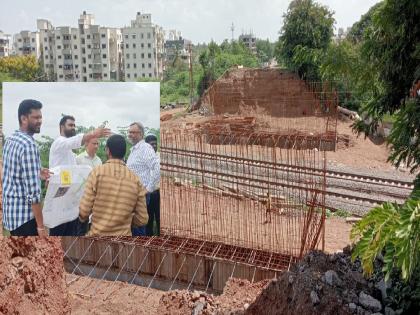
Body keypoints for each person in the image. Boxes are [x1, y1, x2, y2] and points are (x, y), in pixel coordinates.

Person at [48, 115, 110, 236]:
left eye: (74, 125)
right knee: (58, 233)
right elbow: (73, 141)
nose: (73, 128)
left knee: (71, 233)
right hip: (59, 199)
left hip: (70, 199)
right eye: (70, 125)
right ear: (61, 127)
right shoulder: (59, 143)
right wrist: (93, 133)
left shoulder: (70, 153)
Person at [79, 134, 148, 235]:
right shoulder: (135, 179)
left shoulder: (96, 173)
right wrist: (126, 220)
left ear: (107, 150)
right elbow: (143, 218)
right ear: (124, 152)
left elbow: (84, 212)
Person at [2, 99, 51, 236]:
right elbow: (33, 194)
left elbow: (11, 170)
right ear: (23, 118)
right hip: (25, 218)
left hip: (12, 215)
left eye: (40, 117)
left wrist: (38, 172)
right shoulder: (29, 145)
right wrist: (41, 227)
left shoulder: (11, 139)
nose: (40, 120)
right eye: (35, 117)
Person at [126, 122, 160, 236]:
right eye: (129, 132)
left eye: (132, 132)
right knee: (135, 227)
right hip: (132, 195)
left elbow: (157, 167)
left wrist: (149, 188)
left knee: (139, 228)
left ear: (140, 134)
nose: (130, 134)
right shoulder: (134, 150)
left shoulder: (145, 148)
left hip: (141, 195)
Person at [144, 133, 160, 236]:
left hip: (159, 194)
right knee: (147, 220)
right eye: (151, 144)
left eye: (155, 144)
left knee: (160, 218)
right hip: (147, 195)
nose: (154, 146)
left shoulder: (160, 157)